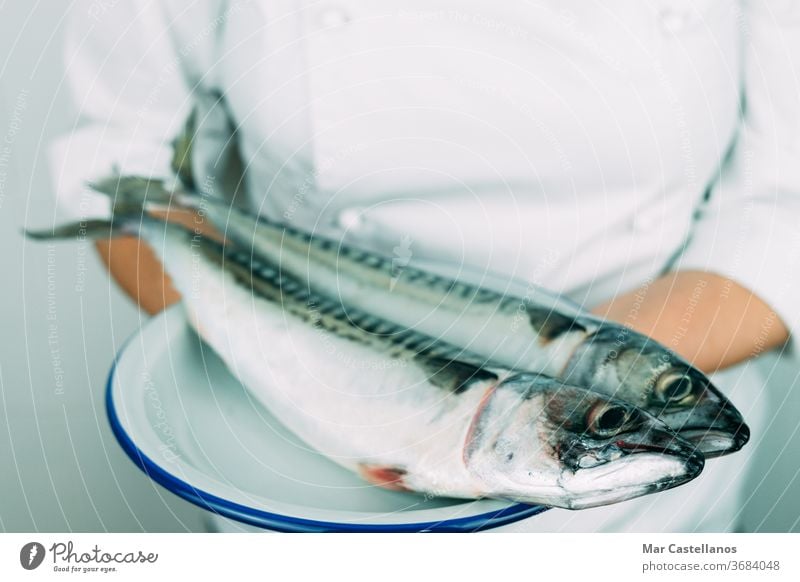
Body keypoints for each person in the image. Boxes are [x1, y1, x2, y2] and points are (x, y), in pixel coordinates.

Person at [52, 0, 798, 532]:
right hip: (301, 479)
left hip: (638, 516)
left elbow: (783, 207)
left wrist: (581, 412)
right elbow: (121, 151)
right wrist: (294, 364)